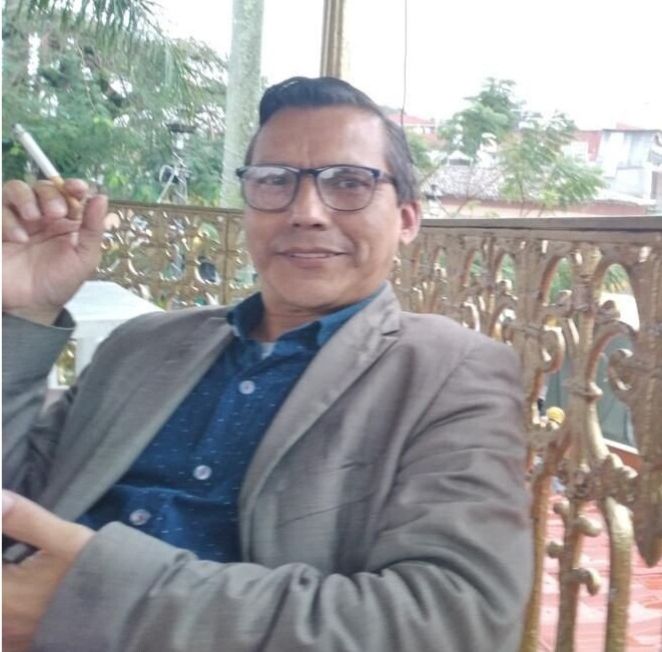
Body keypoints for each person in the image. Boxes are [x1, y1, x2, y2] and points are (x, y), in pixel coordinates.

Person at [2, 76, 532, 652]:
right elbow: (18, 493)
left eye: (350, 183)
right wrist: (26, 311)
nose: (306, 212)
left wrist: (98, 602)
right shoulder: (143, 345)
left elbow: (457, 619)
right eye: (275, 180)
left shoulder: (450, 373)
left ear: (406, 219)